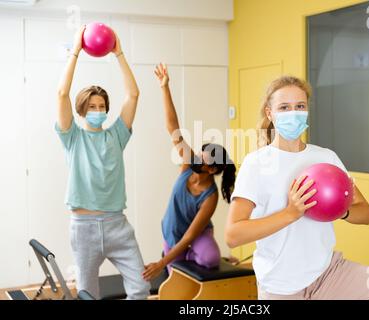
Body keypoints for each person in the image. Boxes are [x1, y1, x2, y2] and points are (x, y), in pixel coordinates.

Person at [225, 75, 369, 300]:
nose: (293, 113)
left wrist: (340, 211)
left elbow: (366, 213)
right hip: (280, 286)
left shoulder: (325, 158)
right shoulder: (256, 164)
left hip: (329, 273)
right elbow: (233, 235)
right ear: (269, 113)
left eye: (300, 106)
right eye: (284, 107)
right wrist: (291, 213)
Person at [55, 25, 150, 299]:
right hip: (83, 228)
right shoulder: (72, 137)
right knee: (88, 294)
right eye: (92, 107)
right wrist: (75, 50)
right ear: (82, 109)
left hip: (117, 224)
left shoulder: (117, 135)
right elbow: (62, 94)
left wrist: (118, 52)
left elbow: (133, 95)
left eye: (102, 107)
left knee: (141, 288)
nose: (98, 111)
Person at [142, 64, 236, 281]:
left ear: (212, 169)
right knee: (178, 280)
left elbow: (191, 235)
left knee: (210, 259)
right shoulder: (187, 164)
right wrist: (165, 88)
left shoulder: (210, 197)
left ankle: (198, 253)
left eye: (204, 158)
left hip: (195, 237)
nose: (199, 157)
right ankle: (183, 256)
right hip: (173, 234)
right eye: (201, 152)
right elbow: (172, 127)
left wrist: (161, 263)